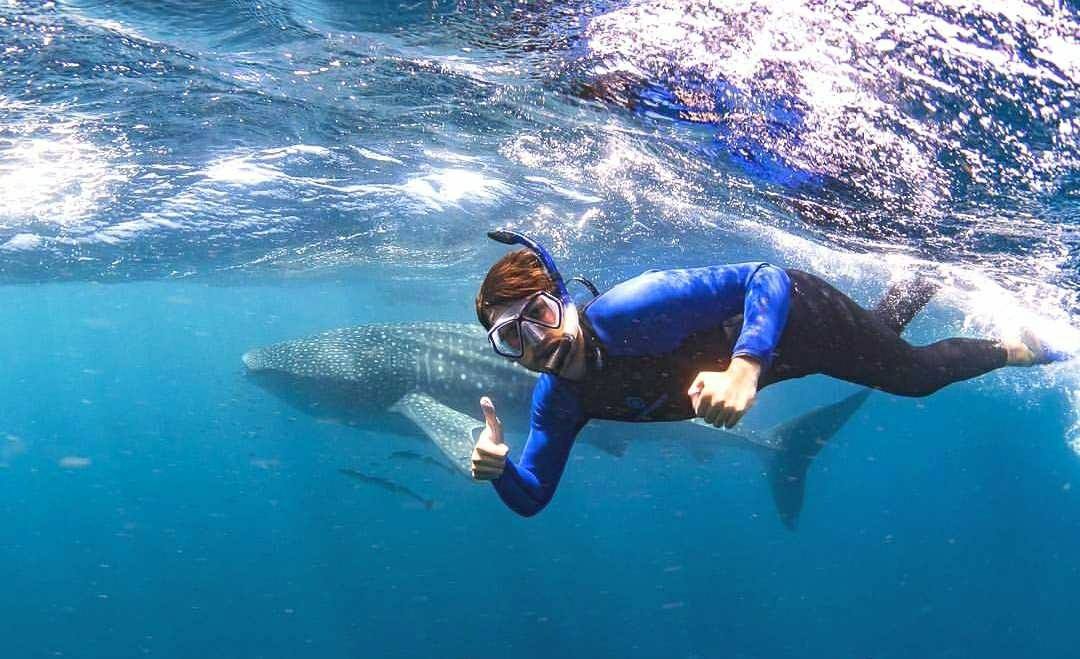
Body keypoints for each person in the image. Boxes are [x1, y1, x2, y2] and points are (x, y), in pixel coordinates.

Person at [470, 230, 1069, 516]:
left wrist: (744, 369)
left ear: (564, 300)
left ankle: (1027, 345)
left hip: (797, 319)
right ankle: (928, 261)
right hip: (779, 361)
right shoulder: (559, 402)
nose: (539, 341)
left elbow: (766, 276)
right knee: (880, 337)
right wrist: (500, 471)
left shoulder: (632, 309)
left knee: (909, 375)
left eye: (540, 315)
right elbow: (533, 497)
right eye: (512, 337)